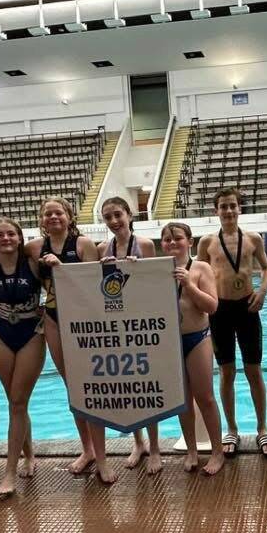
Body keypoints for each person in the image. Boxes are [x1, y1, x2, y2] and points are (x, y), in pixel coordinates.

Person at [26, 196, 114, 483]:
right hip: (53, 319)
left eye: (58, 213)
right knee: (72, 388)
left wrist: (61, 266)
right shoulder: (34, 248)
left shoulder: (84, 245)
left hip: (82, 322)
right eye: (48, 214)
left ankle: (102, 458)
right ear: (41, 220)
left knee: (90, 386)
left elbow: (94, 285)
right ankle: (87, 450)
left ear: (69, 216)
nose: (53, 217)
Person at [196, 188, 267, 458]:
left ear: (239, 209)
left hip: (247, 308)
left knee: (254, 370)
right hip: (219, 311)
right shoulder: (207, 242)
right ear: (216, 211)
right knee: (227, 372)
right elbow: (199, 273)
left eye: (233, 206)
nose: (229, 211)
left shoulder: (253, 239)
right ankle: (231, 429)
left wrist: (262, 291)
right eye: (223, 206)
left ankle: (262, 428)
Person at [0, 217, 43, 497]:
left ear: (20, 238)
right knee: (16, 402)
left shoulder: (33, 264)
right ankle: (29, 456)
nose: (5, 238)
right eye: (0, 235)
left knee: (17, 401)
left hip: (31, 335)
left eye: (11, 234)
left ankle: (9, 472)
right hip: (0, 337)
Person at [98, 196, 161, 474]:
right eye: (108, 217)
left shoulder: (145, 245)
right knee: (129, 387)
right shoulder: (103, 248)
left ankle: (155, 447)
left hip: (142, 323)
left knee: (148, 387)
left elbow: (155, 282)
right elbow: (102, 290)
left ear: (129, 215)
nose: (114, 221)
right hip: (119, 325)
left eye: (118, 215)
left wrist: (138, 269)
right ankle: (139, 443)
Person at [161, 221, 226, 475]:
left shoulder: (200, 268)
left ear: (190, 242)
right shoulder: (156, 270)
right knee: (183, 401)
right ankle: (191, 450)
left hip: (197, 339)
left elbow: (212, 306)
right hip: (170, 342)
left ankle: (217, 451)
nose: (172, 243)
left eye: (177, 238)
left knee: (205, 398)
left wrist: (189, 285)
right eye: (167, 239)